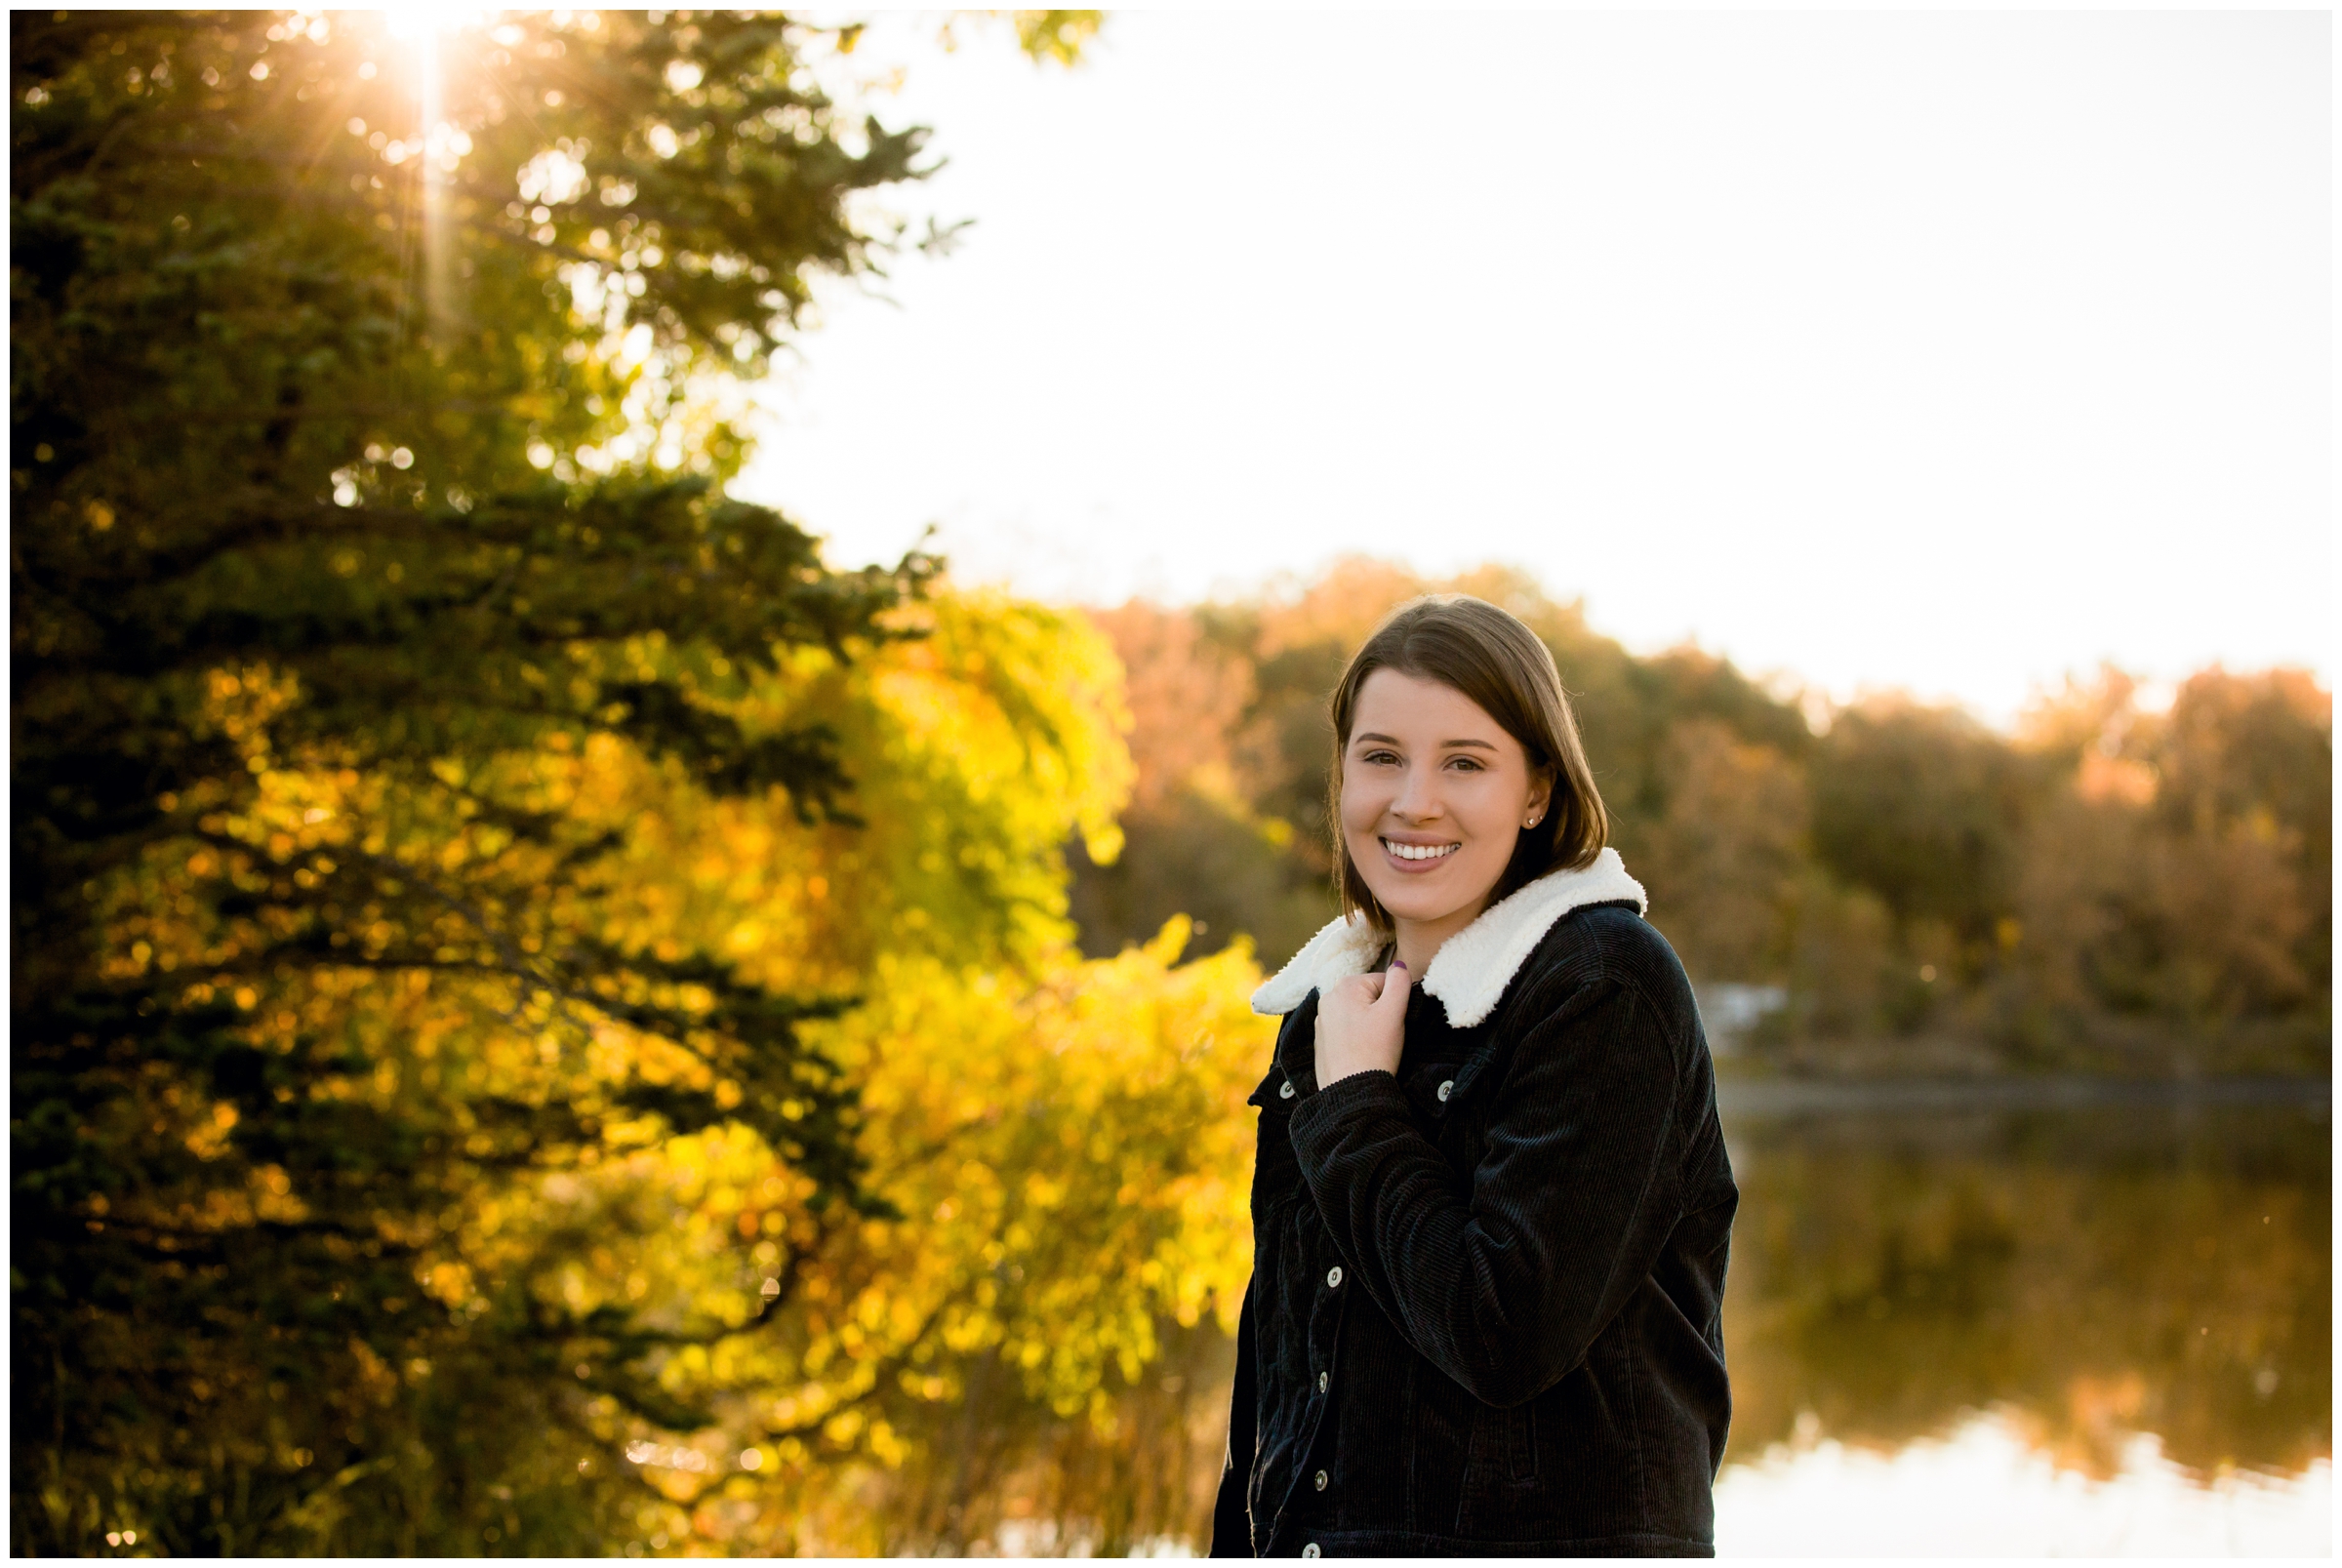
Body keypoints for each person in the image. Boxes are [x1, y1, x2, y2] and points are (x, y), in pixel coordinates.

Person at [1208, 594, 1738, 1558]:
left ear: (1536, 789)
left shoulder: (1603, 986)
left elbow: (1505, 1336)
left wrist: (1362, 1106)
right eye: (1380, 756)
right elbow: (1276, 1372)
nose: (1414, 798)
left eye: (1464, 761)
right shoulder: (1325, 1007)